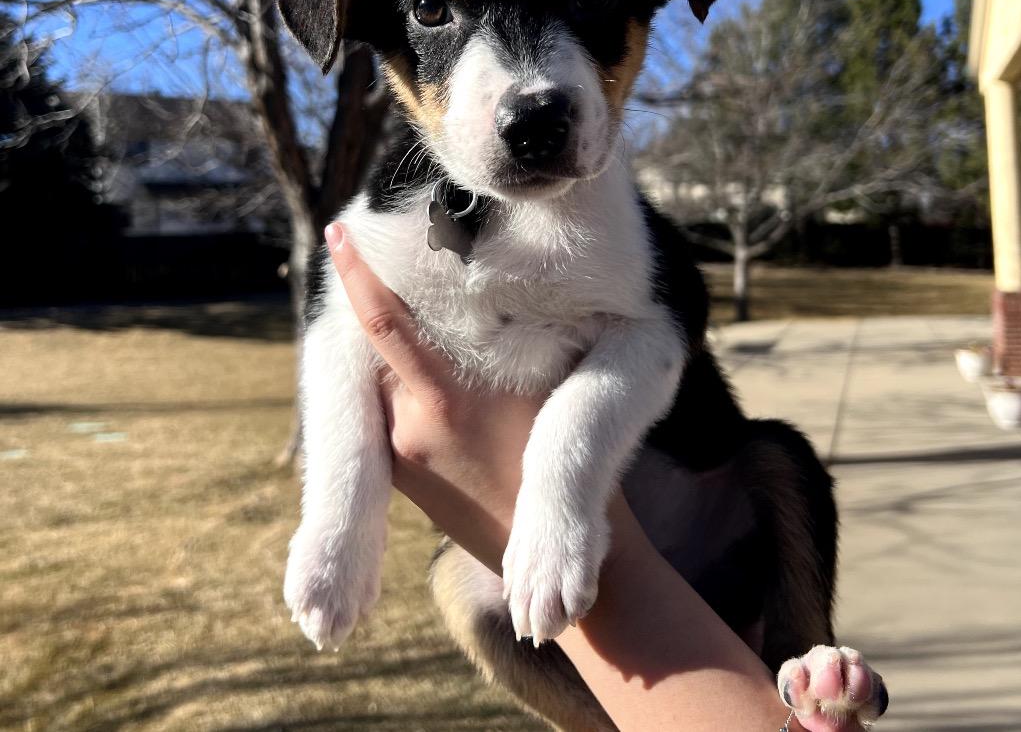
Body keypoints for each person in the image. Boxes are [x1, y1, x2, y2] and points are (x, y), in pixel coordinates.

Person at [324, 223, 870, 732]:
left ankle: (806, 666)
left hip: (700, 494)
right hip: (540, 579)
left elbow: (677, 315)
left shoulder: (607, 218)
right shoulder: (407, 223)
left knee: (776, 458)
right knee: (454, 580)